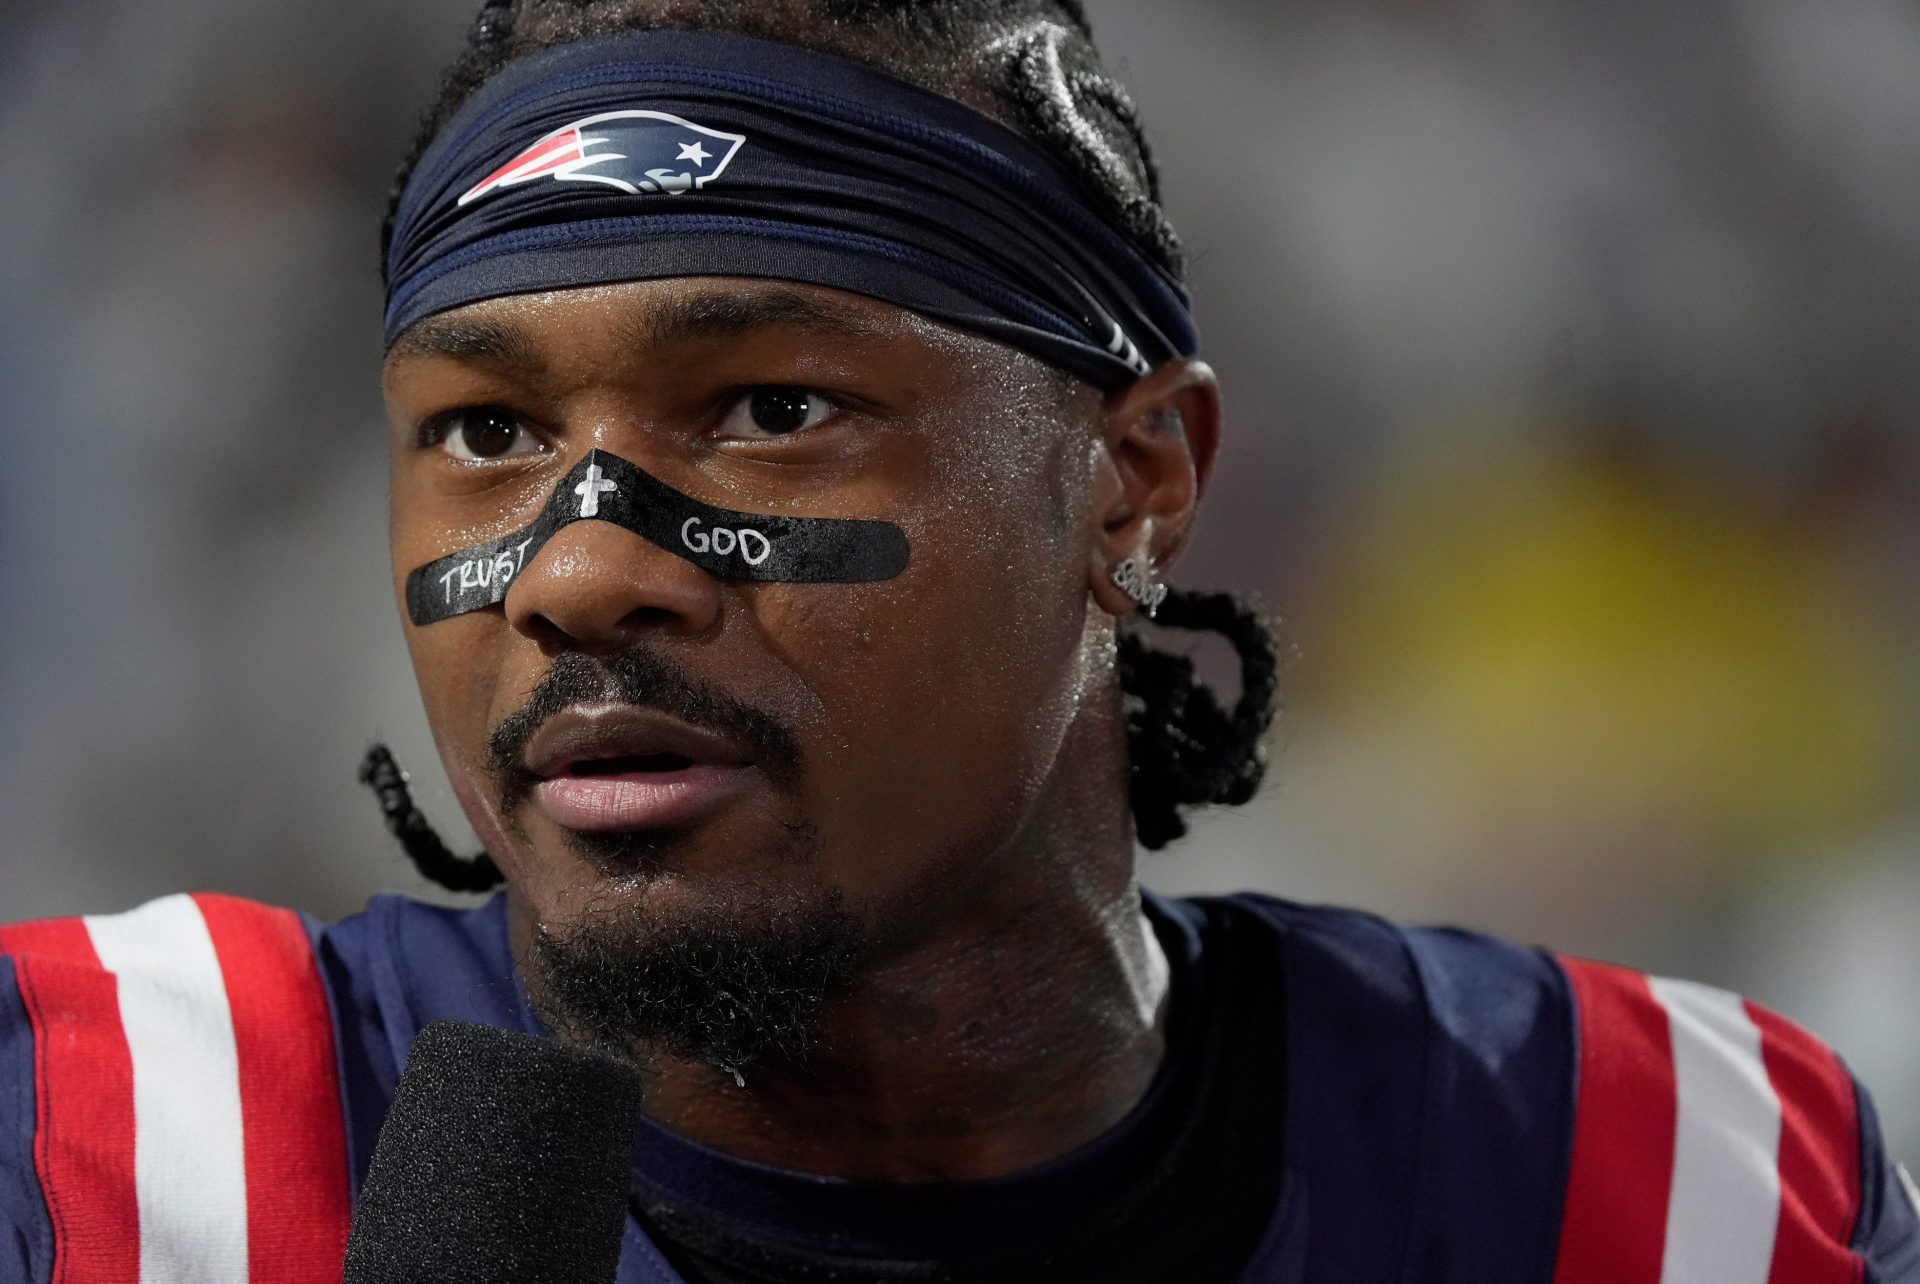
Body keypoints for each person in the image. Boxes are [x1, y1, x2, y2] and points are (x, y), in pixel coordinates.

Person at [1, 2, 1915, 1281]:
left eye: (765, 409)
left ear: (1134, 486)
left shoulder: (1658, 1185)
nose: (576, 577)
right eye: (489, 437)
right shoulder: (116, 1144)